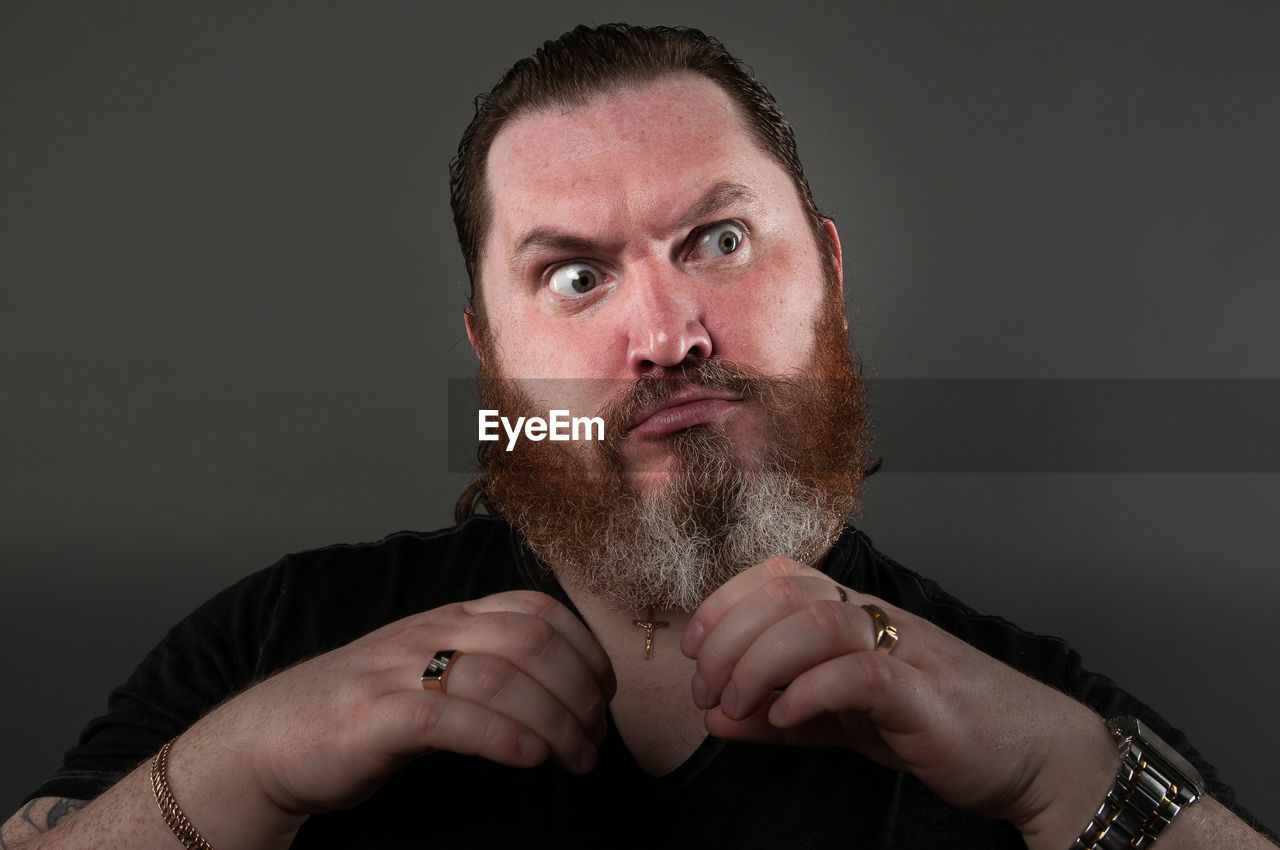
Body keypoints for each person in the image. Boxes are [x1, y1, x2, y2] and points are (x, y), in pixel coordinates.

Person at [4, 23, 1276, 850]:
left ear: (825, 274)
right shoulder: (276, 638)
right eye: (572, 277)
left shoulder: (1028, 712)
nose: (665, 334)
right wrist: (257, 760)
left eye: (715, 242)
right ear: (492, 357)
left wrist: (1058, 775)